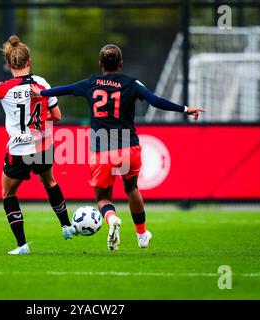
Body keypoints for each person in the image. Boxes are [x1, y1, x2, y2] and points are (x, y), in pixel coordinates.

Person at [32, 44, 204, 252]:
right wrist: (185, 109)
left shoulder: (90, 83)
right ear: (120, 64)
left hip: (102, 149)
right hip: (128, 147)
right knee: (132, 188)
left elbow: (64, 90)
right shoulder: (131, 83)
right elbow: (155, 101)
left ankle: (112, 219)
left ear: (100, 64)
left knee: (103, 198)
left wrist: (41, 92)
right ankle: (141, 234)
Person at [0, 35, 76, 255]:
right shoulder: (43, 83)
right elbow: (57, 115)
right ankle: (66, 225)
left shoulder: (4, 87)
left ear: (10, 65)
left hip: (19, 150)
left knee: (8, 194)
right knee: (49, 182)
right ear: (29, 62)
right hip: (42, 147)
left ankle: (22, 246)